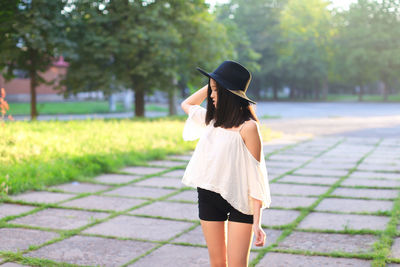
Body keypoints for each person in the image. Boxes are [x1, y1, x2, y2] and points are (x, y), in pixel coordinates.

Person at [180, 60, 272, 267]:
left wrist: (257, 222)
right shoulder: (211, 122)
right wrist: (214, 82)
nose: (211, 96)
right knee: (217, 262)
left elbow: (256, 175)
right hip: (209, 195)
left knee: (237, 265)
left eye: (216, 91)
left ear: (230, 94)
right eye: (211, 90)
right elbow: (187, 104)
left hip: (241, 200)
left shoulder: (249, 127)